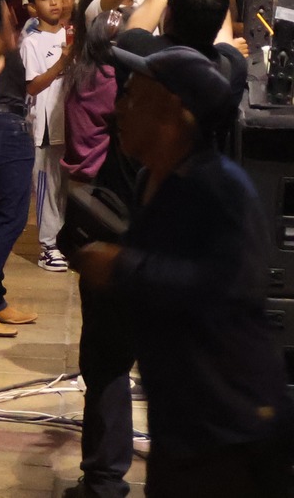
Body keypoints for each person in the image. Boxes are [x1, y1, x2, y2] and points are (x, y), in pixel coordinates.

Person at [73, 42, 289, 497]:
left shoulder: (219, 188)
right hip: (183, 425)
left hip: (229, 432)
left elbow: (229, 287)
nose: (118, 109)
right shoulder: (154, 179)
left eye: (132, 96)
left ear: (172, 110)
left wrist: (123, 266)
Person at [20, 0, 75, 271]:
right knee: (46, 184)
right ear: (32, 7)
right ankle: (47, 245)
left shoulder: (73, 34)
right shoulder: (32, 42)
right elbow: (32, 86)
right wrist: (61, 64)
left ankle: (64, 240)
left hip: (71, 122)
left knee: (65, 186)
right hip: (44, 125)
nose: (54, 2)